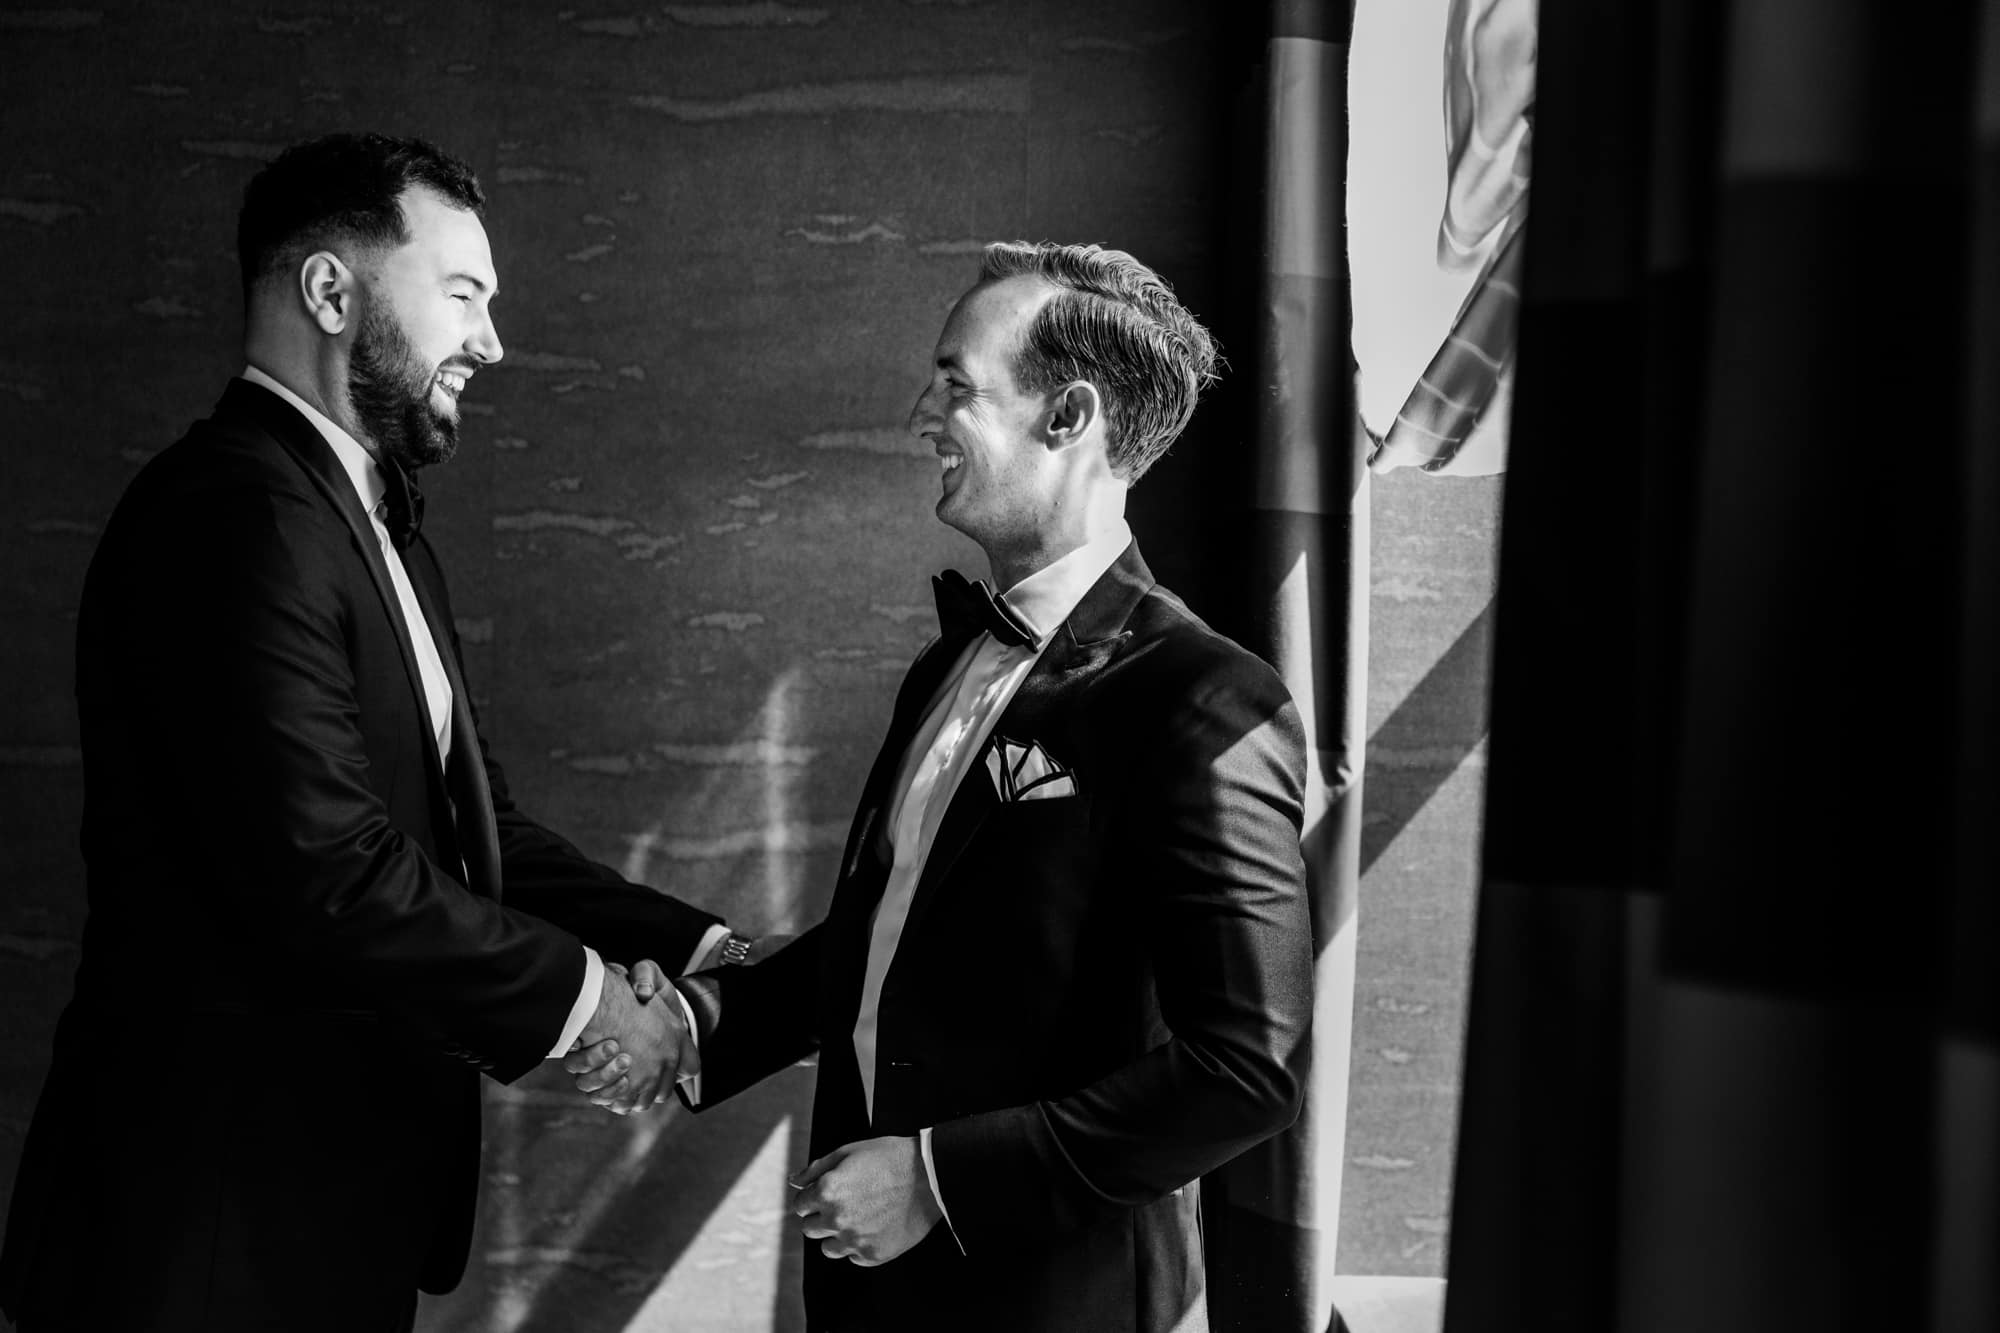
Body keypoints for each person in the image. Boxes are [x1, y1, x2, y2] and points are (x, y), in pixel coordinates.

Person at [0, 132, 758, 1333]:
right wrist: (590, 1006)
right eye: (462, 294)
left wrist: (706, 950)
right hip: (205, 1241)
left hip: (322, 1218)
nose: (491, 342)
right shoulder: (232, 513)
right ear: (331, 290)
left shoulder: (372, 524)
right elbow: (330, 870)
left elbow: (474, 831)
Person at [573, 242, 1315, 1331]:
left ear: (1067, 417)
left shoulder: (1203, 697)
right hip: (867, 1293)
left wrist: (940, 1178)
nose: (922, 411)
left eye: (956, 383)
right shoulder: (947, 666)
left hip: (1057, 1299)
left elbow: (1245, 1065)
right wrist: (695, 1020)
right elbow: (889, 940)